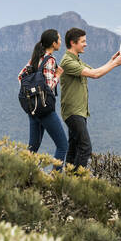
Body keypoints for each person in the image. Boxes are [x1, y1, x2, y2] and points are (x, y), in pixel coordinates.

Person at [59, 27, 121, 169]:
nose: (85, 44)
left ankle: (68, 180)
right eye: (83, 41)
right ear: (73, 43)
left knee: (74, 147)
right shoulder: (67, 62)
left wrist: (111, 60)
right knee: (85, 147)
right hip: (73, 112)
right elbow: (95, 75)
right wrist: (115, 63)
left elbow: (94, 70)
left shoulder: (76, 60)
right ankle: (77, 180)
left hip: (79, 111)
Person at [18, 29, 69, 171]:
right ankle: (55, 179)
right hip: (44, 109)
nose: (60, 42)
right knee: (62, 145)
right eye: (59, 39)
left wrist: (32, 89)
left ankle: (23, 176)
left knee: (32, 147)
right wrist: (57, 75)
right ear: (53, 43)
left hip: (32, 109)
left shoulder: (35, 57)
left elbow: (20, 76)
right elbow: (47, 86)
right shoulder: (50, 60)